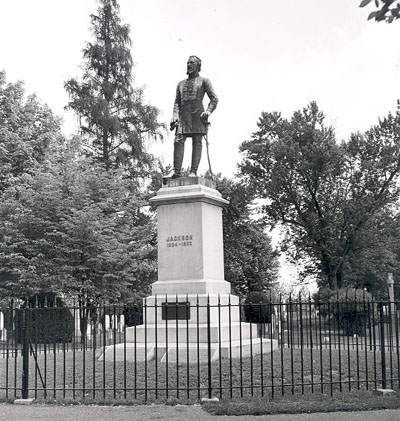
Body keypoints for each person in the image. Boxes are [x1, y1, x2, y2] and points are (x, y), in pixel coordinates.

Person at [169, 55, 218, 178]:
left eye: (191, 63)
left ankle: (193, 171)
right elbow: (177, 102)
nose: (189, 65)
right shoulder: (180, 84)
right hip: (183, 115)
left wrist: (208, 111)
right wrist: (175, 116)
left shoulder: (204, 81)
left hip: (198, 114)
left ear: (198, 66)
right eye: (188, 63)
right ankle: (176, 171)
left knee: (197, 142)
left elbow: (214, 99)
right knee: (178, 140)